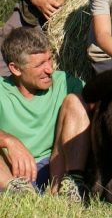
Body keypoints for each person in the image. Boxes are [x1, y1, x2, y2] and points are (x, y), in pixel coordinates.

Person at [0, 28, 90, 201]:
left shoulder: (64, 81)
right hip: (9, 172)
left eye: (49, 59)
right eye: (39, 64)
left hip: (53, 168)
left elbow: (98, 104)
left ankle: (71, 186)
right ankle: (18, 194)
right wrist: (9, 140)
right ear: (15, 69)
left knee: (76, 101)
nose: (49, 69)